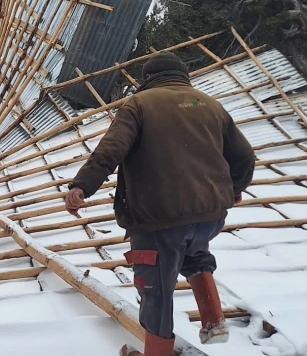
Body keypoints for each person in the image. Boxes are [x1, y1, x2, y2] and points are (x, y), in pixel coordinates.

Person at [65, 51, 255, 356]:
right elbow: (245, 157)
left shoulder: (139, 104)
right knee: (194, 251)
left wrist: (81, 186)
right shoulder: (210, 105)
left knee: (155, 287)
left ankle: (157, 352)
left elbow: (111, 150)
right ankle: (213, 319)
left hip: (158, 218)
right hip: (209, 217)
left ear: (148, 79)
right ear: (183, 76)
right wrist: (234, 189)